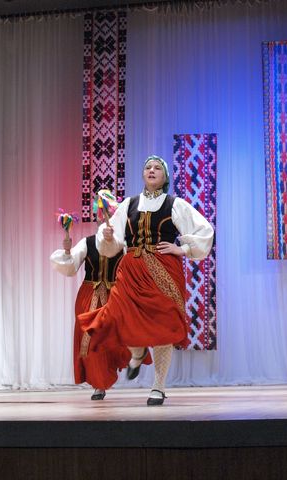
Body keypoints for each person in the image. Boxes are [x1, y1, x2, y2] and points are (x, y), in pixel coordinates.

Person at [78, 155, 214, 405]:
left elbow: (204, 231)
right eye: (148, 167)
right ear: (143, 174)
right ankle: (138, 352)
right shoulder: (128, 204)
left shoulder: (175, 204)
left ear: (165, 176)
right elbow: (113, 243)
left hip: (164, 270)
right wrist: (108, 238)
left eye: (157, 168)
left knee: (164, 325)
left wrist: (182, 249)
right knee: (120, 317)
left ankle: (158, 386)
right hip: (132, 269)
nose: (152, 170)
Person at [50, 201, 137, 400]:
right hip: (89, 295)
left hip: (114, 296)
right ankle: (99, 384)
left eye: (108, 215)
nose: (104, 219)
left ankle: (124, 364)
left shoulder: (123, 245)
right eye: (101, 216)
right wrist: (67, 252)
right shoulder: (87, 243)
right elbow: (71, 267)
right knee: (91, 341)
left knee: (114, 337)